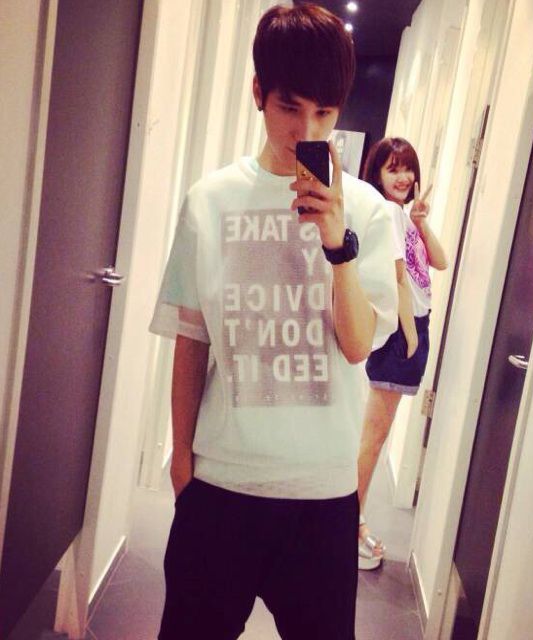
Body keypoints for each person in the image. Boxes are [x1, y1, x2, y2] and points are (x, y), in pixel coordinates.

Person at [149, 4, 397, 639]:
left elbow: (357, 345)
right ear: (258, 92)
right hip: (220, 485)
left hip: (323, 495)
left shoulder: (368, 211)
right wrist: (183, 465)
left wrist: (337, 244)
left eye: (325, 112)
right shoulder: (209, 202)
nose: (305, 128)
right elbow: (191, 340)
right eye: (290, 106)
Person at [357, 137, 448, 570]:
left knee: (375, 435)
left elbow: (440, 262)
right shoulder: (386, 212)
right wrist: (410, 336)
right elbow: (396, 279)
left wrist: (421, 223)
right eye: (393, 168)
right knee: (373, 438)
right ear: (377, 173)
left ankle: (349, 523)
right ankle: (350, 527)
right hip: (403, 331)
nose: (404, 176)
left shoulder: (402, 216)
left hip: (412, 328)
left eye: (408, 167)